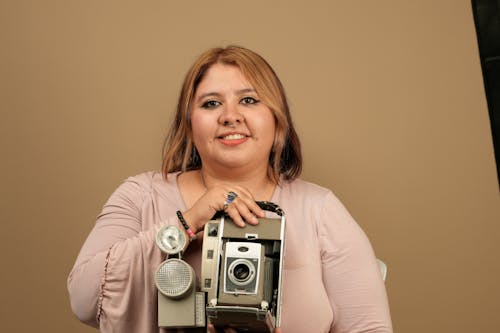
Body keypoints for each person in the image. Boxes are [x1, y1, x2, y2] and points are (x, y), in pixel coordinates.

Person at [67, 45, 393, 333]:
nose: (230, 116)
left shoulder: (319, 210)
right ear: (189, 124)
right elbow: (84, 298)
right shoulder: (140, 196)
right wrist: (189, 221)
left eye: (249, 100)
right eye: (211, 104)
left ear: (277, 121)